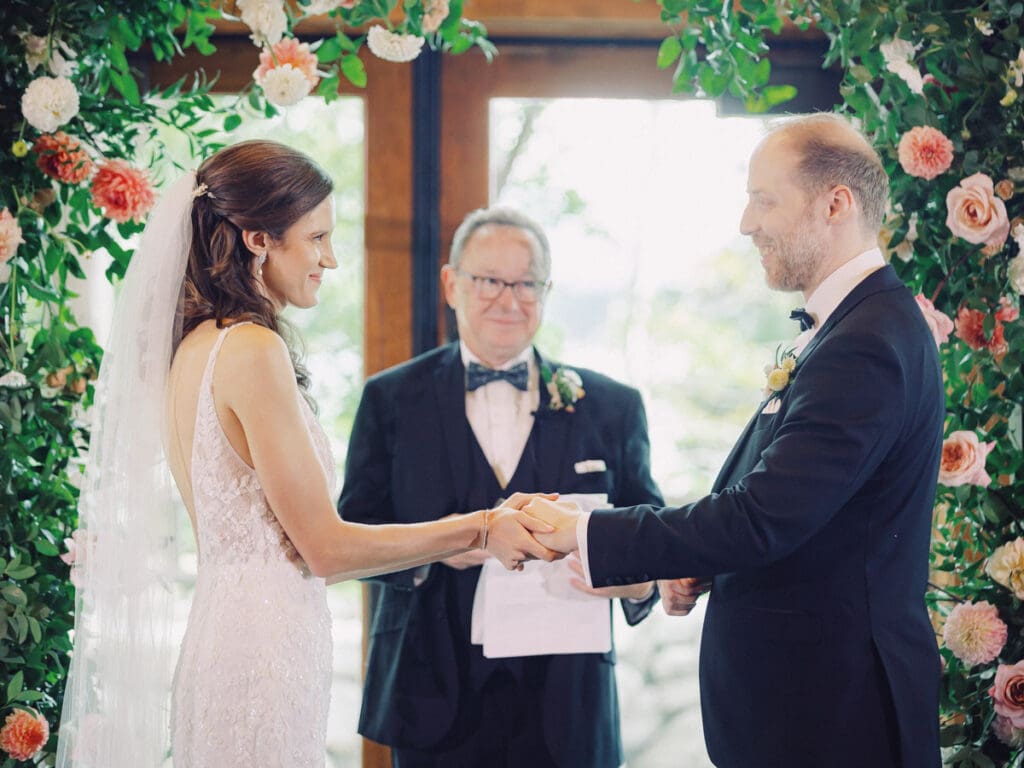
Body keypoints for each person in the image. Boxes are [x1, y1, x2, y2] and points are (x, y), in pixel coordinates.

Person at [55, 141, 556, 768]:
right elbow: (326, 549)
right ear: (258, 238)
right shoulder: (251, 349)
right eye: (317, 238)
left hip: (228, 631)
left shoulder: (194, 348)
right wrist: (480, 526)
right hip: (263, 651)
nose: (331, 259)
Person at [523, 114, 944, 768]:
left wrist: (587, 533)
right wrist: (704, 561)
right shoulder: (854, 328)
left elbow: (763, 516)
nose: (747, 223)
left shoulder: (865, 342)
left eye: (763, 199)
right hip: (808, 712)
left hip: (835, 721)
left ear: (837, 204)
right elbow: (806, 504)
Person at [337, 206, 665, 768]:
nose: (508, 299)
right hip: (432, 693)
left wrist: (634, 585)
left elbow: (655, 543)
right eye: (489, 280)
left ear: (546, 291)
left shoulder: (613, 406)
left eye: (526, 283)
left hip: (568, 701)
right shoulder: (390, 400)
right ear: (451, 284)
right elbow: (350, 542)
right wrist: (440, 547)